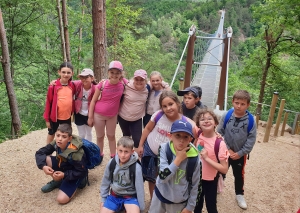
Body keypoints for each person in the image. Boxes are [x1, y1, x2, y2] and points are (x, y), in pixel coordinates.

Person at [137, 90, 198, 199]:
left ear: (178, 104)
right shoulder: (158, 115)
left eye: (171, 104)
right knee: (152, 179)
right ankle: (153, 200)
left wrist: (215, 134)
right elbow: (147, 128)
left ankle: (164, 200)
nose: (168, 108)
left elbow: (198, 133)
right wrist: (140, 145)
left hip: (168, 155)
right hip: (151, 151)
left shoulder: (184, 121)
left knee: (166, 178)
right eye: (164, 106)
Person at [148, 119, 201, 213]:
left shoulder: (195, 158)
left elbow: (196, 185)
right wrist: (178, 159)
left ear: (190, 139)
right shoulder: (164, 148)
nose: (181, 140)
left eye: (185, 137)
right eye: (178, 135)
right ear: (170, 136)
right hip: (160, 195)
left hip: (179, 201)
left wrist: (190, 207)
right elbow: (163, 177)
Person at [216, 90, 257, 210]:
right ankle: (218, 187)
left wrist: (240, 153)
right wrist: (227, 149)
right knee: (221, 171)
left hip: (240, 154)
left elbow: (251, 139)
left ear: (248, 105)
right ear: (232, 101)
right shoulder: (227, 115)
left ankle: (239, 194)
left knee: (239, 174)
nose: (239, 106)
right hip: (225, 151)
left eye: (242, 104)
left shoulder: (250, 120)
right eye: (237, 102)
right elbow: (219, 132)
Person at [35, 124, 87, 204]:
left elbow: (81, 171)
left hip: (76, 173)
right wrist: (43, 166)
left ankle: (79, 182)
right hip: (64, 165)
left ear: (69, 138)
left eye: (64, 136)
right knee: (46, 159)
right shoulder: (56, 143)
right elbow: (40, 153)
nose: (60, 139)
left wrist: (64, 175)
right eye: (58, 135)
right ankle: (57, 180)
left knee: (61, 199)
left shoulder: (77, 153)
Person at [88, 61, 127, 158]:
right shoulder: (102, 85)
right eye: (112, 72)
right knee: (100, 136)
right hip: (98, 115)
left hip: (112, 116)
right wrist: (90, 117)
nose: (114, 75)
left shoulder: (123, 83)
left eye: (117, 73)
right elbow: (93, 101)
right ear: (108, 72)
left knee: (111, 136)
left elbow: (137, 83)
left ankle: (113, 155)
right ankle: (99, 155)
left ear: (121, 74)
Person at [193, 109, 229, 213]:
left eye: (210, 118)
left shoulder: (220, 144)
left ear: (216, 123)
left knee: (211, 207)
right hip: (196, 177)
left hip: (210, 180)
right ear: (198, 124)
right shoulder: (199, 133)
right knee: (196, 206)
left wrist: (207, 158)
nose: (206, 121)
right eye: (202, 119)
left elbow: (224, 169)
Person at [100, 136, 145, 213]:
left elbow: (139, 188)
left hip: (130, 197)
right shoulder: (112, 163)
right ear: (116, 149)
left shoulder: (136, 167)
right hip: (114, 196)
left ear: (132, 151)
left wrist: (141, 208)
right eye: (120, 151)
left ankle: (125, 207)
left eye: (126, 151)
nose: (123, 155)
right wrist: (103, 199)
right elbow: (105, 181)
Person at [43, 62, 75, 144]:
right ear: (59, 72)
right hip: (55, 117)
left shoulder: (72, 86)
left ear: (72, 74)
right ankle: (47, 151)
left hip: (67, 117)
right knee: (52, 133)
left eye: (68, 72)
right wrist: (47, 119)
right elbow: (48, 103)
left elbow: (85, 82)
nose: (66, 75)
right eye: (63, 72)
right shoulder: (53, 86)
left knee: (66, 135)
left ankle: (64, 152)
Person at [118, 69, 149, 149]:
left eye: (141, 79)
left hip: (137, 118)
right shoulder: (127, 86)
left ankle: (136, 156)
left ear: (145, 80)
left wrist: (165, 85)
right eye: (137, 79)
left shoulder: (148, 89)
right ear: (133, 79)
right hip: (123, 117)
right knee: (126, 136)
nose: (139, 81)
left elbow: (158, 83)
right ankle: (126, 155)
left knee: (137, 140)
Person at [73, 68, 97, 141]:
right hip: (79, 113)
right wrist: (55, 81)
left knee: (89, 132)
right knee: (81, 133)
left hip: (90, 114)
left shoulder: (95, 88)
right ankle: (82, 149)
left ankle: (89, 148)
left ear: (92, 78)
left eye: (86, 77)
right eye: (82, 77)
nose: (84, 79)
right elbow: (66, 83)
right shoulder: (77, 85)